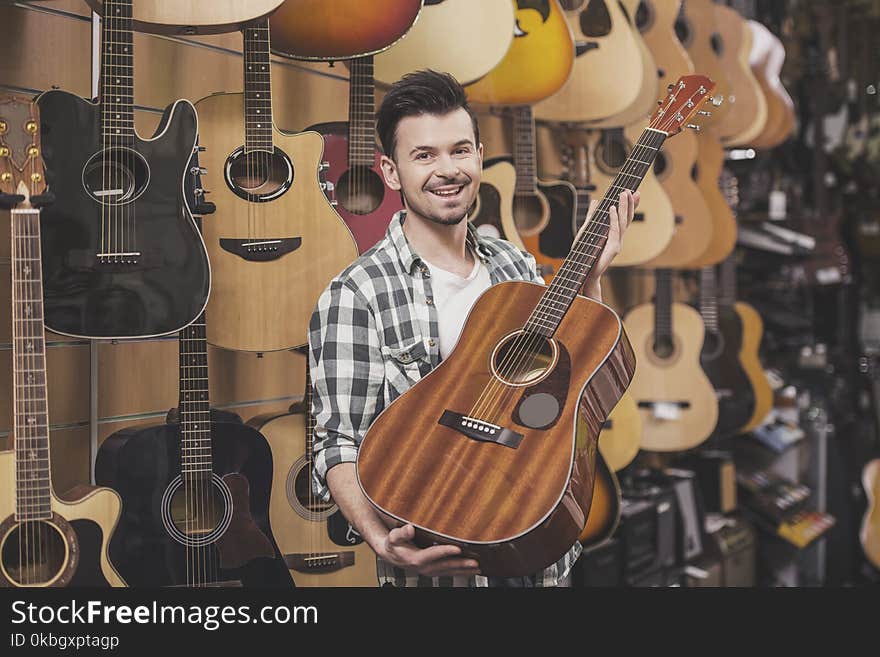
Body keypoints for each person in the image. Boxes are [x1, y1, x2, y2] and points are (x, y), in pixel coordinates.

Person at [308, 70, 639, 587]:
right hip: (434, 569)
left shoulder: (515, 266)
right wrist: (380, 539)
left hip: (539, 554)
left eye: (460, 150)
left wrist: (592, 278)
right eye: (425, 156)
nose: (447, 170)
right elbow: (337, 441)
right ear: (391, 173)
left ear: (480, 156)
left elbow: (578, 373)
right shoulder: (357, 293)